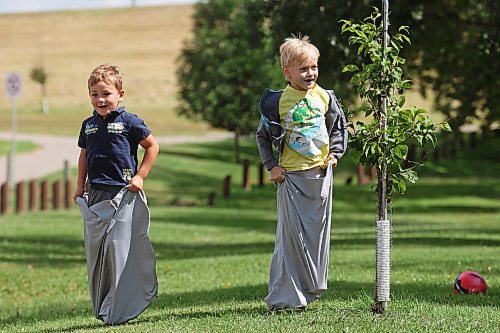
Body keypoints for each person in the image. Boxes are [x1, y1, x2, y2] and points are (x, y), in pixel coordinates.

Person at [256, 35, 348, 311]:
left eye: (314, 67)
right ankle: (286, 298)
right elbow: (262, 137)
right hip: (291, 179)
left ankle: (309, 290)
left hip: (320, 178)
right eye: (303, 69)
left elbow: (339, 127)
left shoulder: (324, 97)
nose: (310, 74)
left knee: (316, 239)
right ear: (287, 71)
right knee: (290, 240)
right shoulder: (277, 102)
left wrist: (335, 153)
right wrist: (272, 166)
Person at [73, 63, 160, 325]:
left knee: (118, 249)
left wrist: (140, 176)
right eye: (94, 94)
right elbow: (84, 155)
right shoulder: (87, 125)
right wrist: (80, 185)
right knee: (99, 252)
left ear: (120, 94)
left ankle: (122, 309)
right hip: (97, 196)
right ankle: (105, 306)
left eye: (106, 93)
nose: (100, 99)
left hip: (124, 195)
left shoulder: (130, 122)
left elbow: (152, 147)